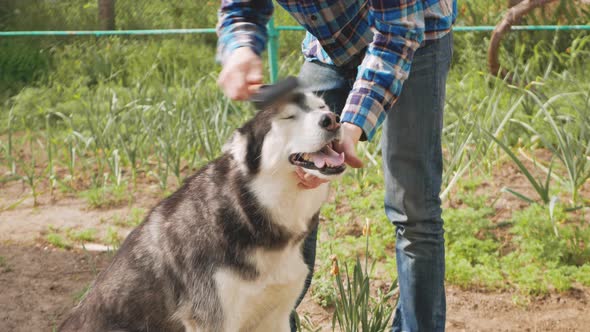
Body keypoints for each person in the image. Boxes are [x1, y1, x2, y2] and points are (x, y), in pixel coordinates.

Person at [216, 1, 457, 331]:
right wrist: (241, 46)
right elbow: (241, 8)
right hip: (329, 44)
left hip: (413, 36)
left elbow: (395, 35)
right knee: (287, 179)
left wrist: (352, 127)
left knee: (412, 207)